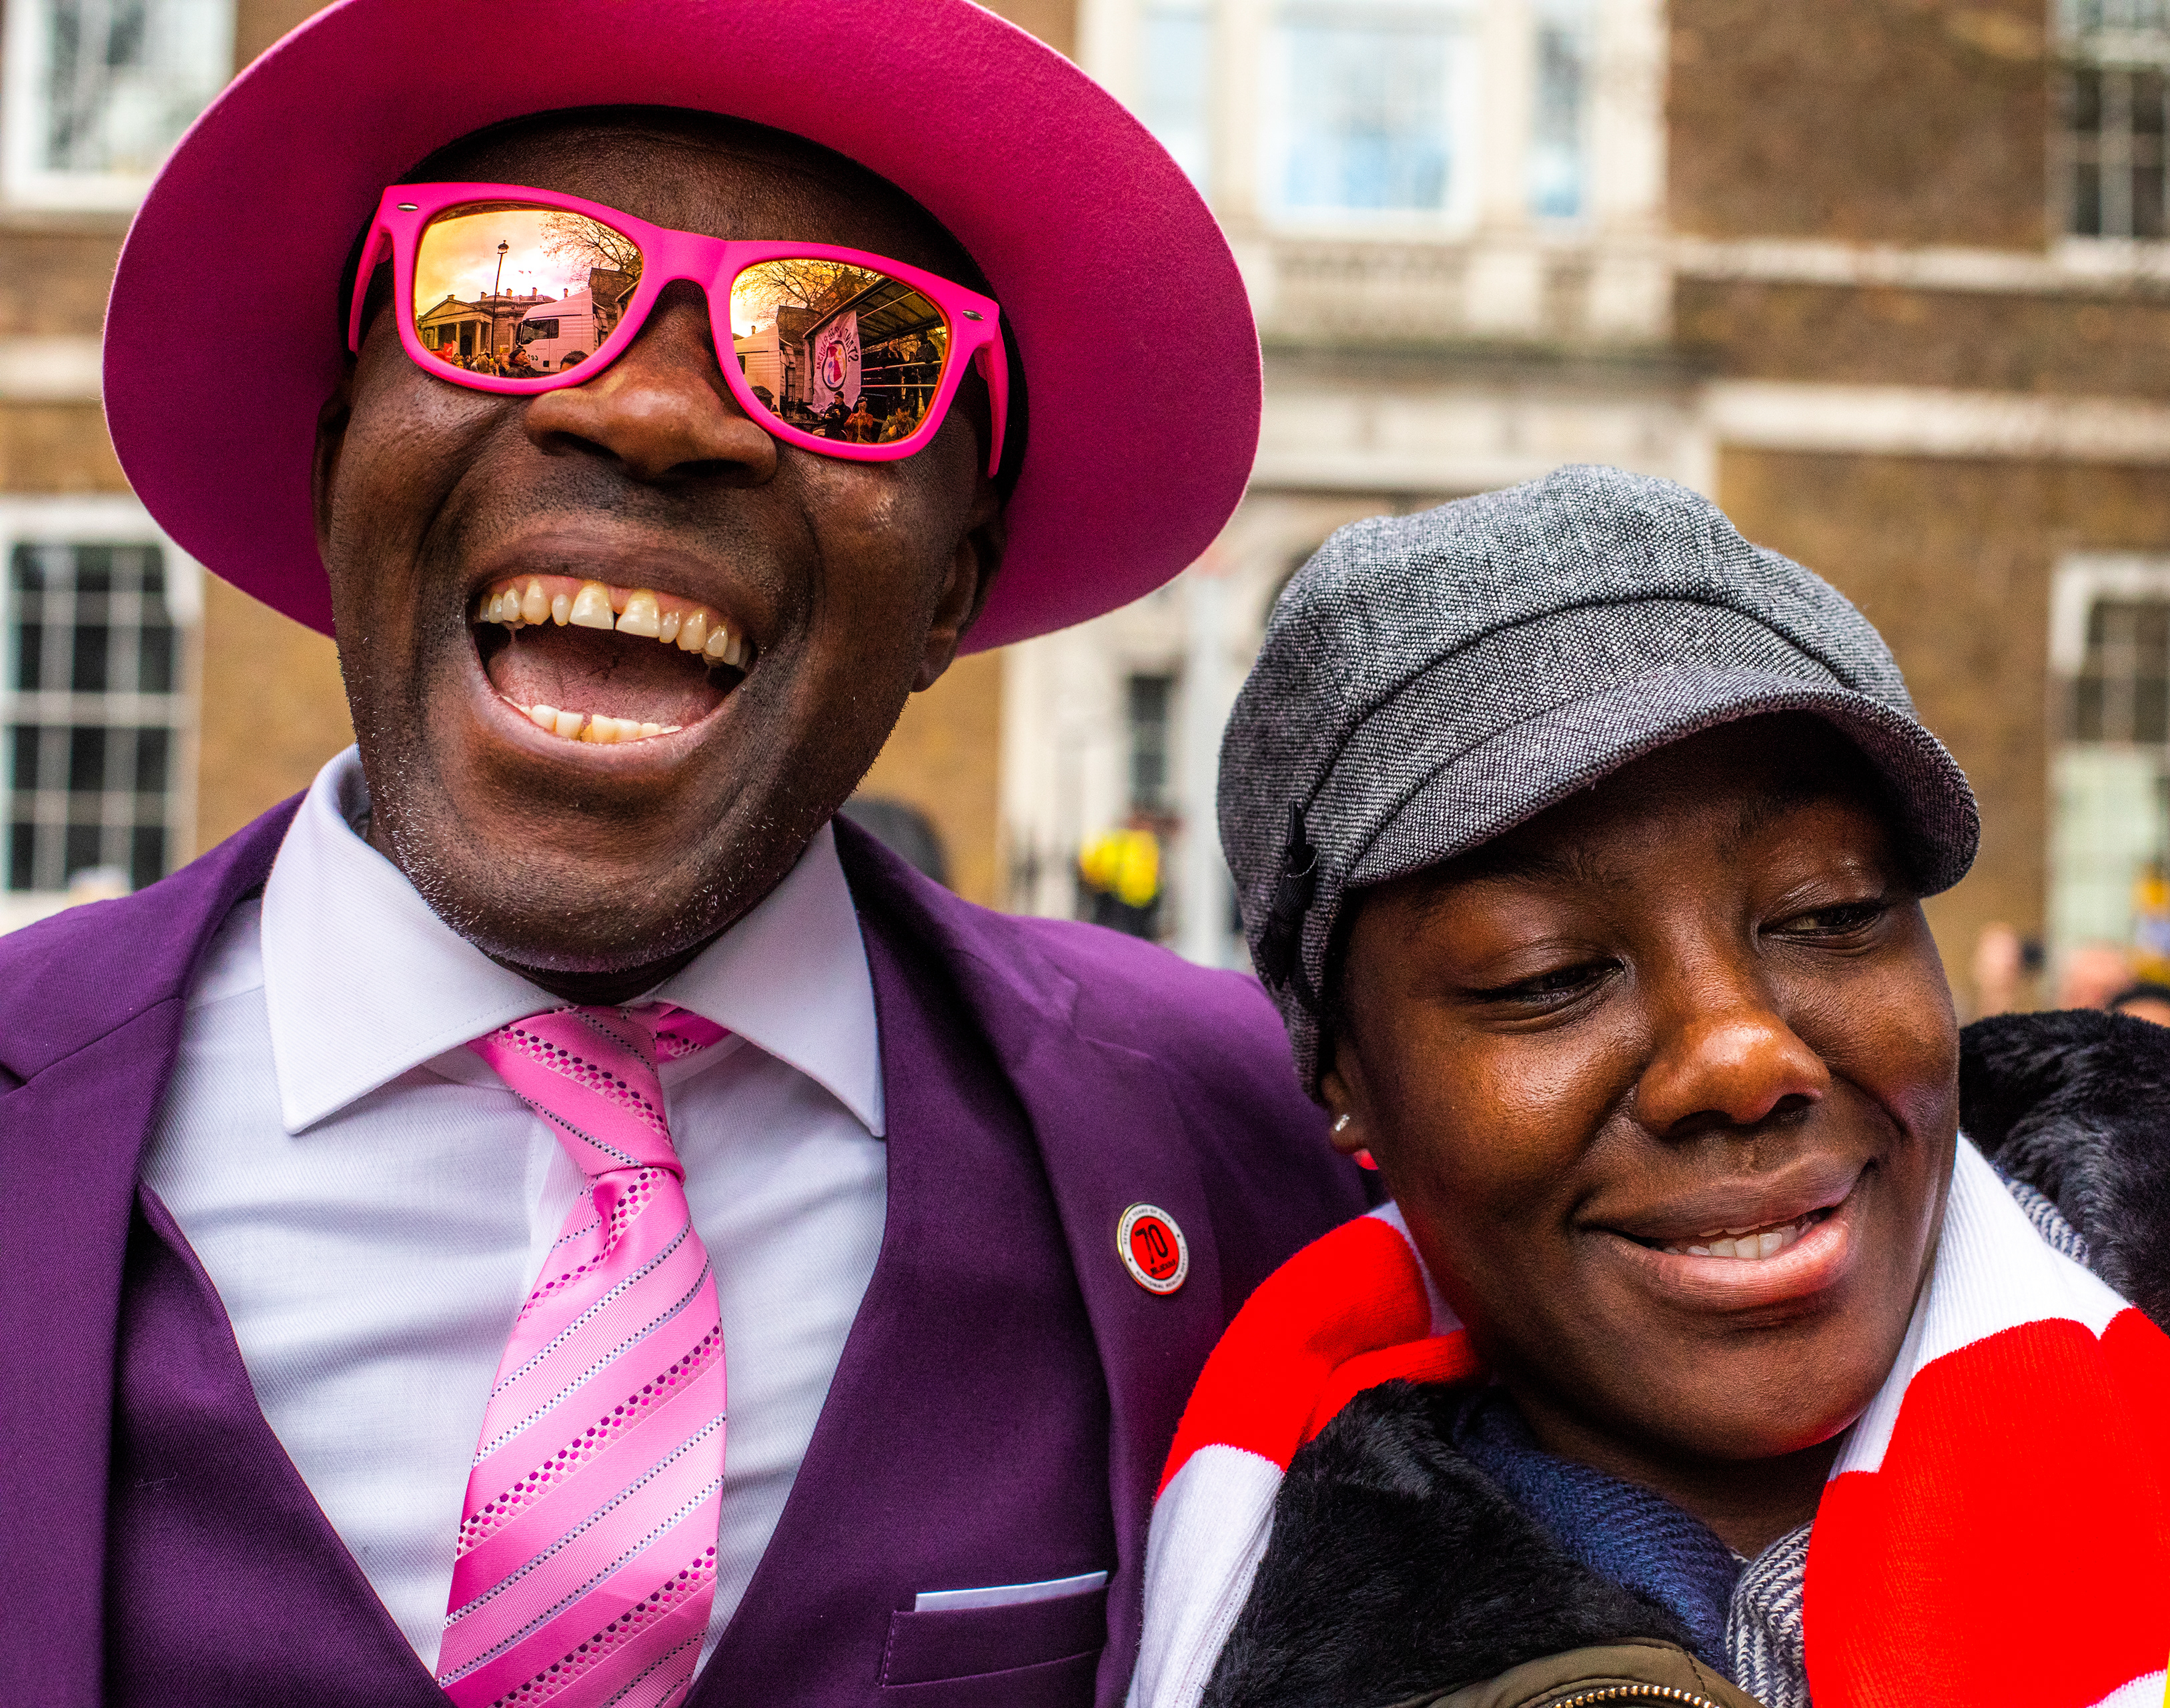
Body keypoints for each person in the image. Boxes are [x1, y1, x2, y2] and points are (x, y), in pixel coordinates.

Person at [3, 3, 1352, 1705]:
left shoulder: (1244, 1147)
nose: (652, 413)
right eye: (508, 294)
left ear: (952, 588)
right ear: (338, 447)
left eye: (841, 347)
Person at [1132, 467, 2170, 1708]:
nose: (1743, 1055)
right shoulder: (1292, 1629)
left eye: (1832, 914)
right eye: (1543, 975)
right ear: (1345, 1074)